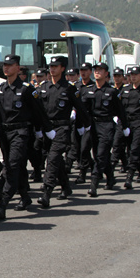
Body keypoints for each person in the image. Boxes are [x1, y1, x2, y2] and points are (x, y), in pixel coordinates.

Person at [0, 54, 44, 221]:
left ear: (18, 68)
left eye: (10, 65)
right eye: (5, 65)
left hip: (21, 133)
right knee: (16, 165)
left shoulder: (26, 89)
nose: (6, 68)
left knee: (12, 165)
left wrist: (42, 130)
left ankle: (3, 204)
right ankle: (25, 196)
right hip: (4, 134)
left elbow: (38, 111)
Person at [36, 55, 82, 208]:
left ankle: (47, 192)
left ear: (62, 68)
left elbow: (80, 108)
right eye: (51, 66)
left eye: (56, 66)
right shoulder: (44, 87)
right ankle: (66, 187)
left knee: (53, 158)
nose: (52, 69)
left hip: (62, 128)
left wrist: (83, 125)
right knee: (57, 160)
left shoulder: (69, 88)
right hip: (47, 128)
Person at [83, 62, 126, 197]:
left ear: (106, 74)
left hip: (107, 125)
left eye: (100, 70)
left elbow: (121, 111)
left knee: (101, 154)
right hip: (93, 126)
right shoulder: (89, 90)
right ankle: (111, 177)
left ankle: (94, 183)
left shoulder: (112, 91)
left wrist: (125, 126)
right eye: (96, 70)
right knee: (98, 154)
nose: (97, 72)